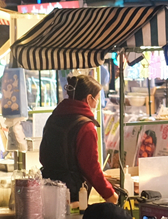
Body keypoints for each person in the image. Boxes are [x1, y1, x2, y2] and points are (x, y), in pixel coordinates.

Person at [39, 74, 116, 203]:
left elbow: (42, 156)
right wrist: (109, 194)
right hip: (73, 194)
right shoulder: (86, 127)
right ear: (89, 98)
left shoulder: (53, 118)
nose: (97, 103)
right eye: (97, 98)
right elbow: (91, 167)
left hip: (47, 188)